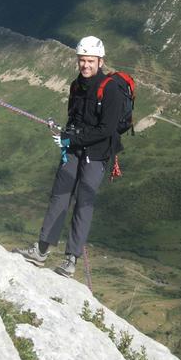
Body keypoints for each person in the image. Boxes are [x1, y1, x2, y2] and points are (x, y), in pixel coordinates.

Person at [15, 36, 122, 277]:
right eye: (82, 60)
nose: (85, 65)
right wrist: (64, 134)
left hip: (96, 155)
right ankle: (41, 250)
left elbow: (106, 129)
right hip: (74, 149)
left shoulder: (110, 89)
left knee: (83, 203)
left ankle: (70, 260)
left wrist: (70, 139)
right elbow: (75, 118)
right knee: (59, 196)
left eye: (90, 61)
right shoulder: (76, 85)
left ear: (100, 61)